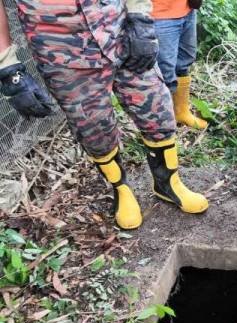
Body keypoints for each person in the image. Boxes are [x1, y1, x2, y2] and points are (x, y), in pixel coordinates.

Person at [0, 0, 209, 230]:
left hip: (120, 32)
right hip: (63, 54)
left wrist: (140, 16)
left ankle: (168, 183)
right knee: (94, 130)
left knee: (157, 109)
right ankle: (121, 189)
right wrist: (8, 68)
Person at [152, 0, 208, 130]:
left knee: (184, 62)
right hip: (160, 14)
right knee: (164, 70)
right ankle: (160, 125)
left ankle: (181, 112)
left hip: (188, 9)